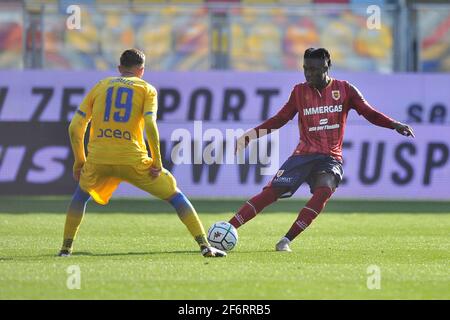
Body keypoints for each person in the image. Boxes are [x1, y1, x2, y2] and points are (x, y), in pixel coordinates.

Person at [230, 48, 415, 252]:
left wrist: (394, 124)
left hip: (330, 157)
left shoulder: (346, 90)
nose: (309, 74)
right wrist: (250, 135)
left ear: (327, 66)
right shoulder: (299, 92)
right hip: (303, 155)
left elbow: (369, 113)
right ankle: (228, 228)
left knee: (324, 190)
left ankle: (286, 240)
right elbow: (280, 119)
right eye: (305, 69)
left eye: (314, 69)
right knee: (271, 192)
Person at [59, 49, 226, 258]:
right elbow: (149, 123)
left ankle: (66, 249)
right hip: (133, 160)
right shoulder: (147, 89)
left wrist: (79, 161)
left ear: (120, 68)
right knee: (176, 197)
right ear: (142, 70)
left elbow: (75, 126)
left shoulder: (100, 86)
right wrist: (157, 161)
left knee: (80, 196)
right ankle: (204, 246)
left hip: (99, 159)